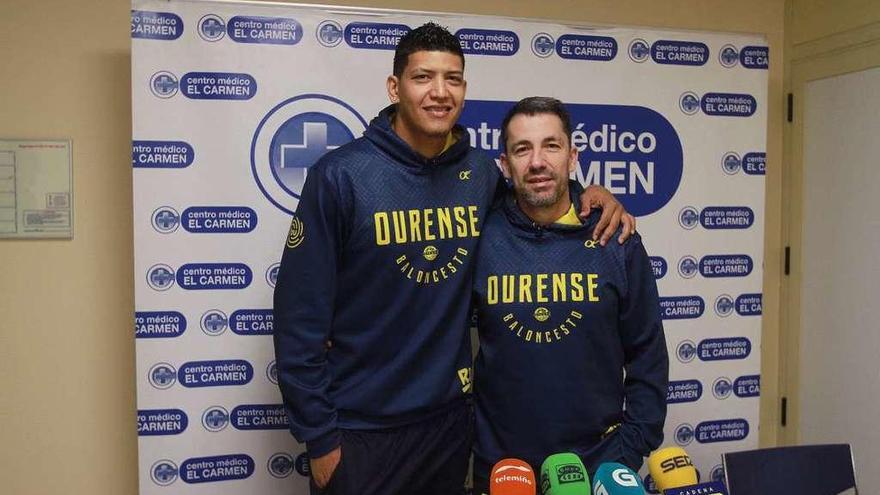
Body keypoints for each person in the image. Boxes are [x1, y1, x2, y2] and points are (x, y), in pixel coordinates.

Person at [273, 24, 634, 495]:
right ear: (394, 87)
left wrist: (593, 196)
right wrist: (320, 439)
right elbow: (298, 319)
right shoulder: (341, 177)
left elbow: (539, 192)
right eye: (423, 77)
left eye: (453, 79)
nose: (439, 92)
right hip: (361, 429)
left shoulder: (480, 173)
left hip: (449, 425)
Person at [470, 97, 669, 494]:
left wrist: (627, 451)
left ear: (573, 156)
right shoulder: (479, 237)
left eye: (551, 146)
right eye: (522, 149)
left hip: (598, 466)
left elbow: (647, 353)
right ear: (506, 166)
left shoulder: (616, 238)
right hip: (505, 470)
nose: (538, 162)